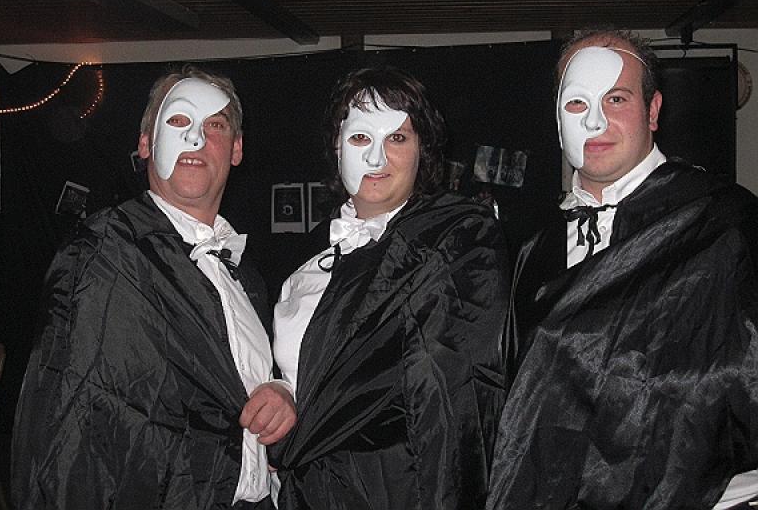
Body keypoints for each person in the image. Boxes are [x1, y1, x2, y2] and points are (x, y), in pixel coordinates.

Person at [486, 29, 758, 509]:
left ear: (652, 110)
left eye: (616, 99)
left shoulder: (724, 223)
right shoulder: (532, 248)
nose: (595, 121)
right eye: (577, 103)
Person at [12, 66, 296, 510]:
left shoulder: (242, 275)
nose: (196, 139)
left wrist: (280, 393)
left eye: (215, 126)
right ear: (145, 143)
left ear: (236, 149)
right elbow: (71, 433)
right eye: (179, 121)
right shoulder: (107, 253)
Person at [269, 66, 513, 510]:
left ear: (423, 150)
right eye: (361, 138)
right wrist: (282, 391)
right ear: (337, 146)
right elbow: (308, 376)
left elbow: (453, 394)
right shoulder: (305, 266)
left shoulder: (458, 239)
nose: (377, 158)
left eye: (397, 138)